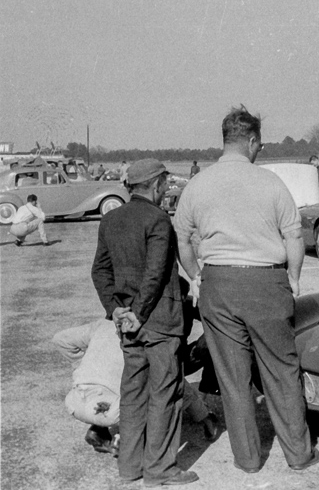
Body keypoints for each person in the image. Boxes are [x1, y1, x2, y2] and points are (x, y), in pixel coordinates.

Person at [173, 105, 319, 474]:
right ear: (251, 140)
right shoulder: (270, 182)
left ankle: (248, 460)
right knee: (282, 371)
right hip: (267, 281)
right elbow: (293, 236)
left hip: (218, 283)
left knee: (233, 378)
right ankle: (299, 454)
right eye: (259, 144)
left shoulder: (197, 184)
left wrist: (196, 275)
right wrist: (294, 277)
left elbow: (182, 238)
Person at [91, 158, 198, 486]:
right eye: (165, 182)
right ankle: (160, 470)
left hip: (127, 325)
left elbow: (100, 270)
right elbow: (155, 273)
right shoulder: (158, 220)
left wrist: (117, 310)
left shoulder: (110, 220)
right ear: (155, 184)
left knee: (134, 394)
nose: (167, 188)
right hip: (159, 322)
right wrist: (138, 312)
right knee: (166, 392)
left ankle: (130, 468)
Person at [52, 320, 219, 457]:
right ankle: (125, 441)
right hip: (111, 411)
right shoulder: (147, 337)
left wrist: (82, 367)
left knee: (121, 388)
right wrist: (204, 416)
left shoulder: (104, 324)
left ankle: (98, 431)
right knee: (164, 386)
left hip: (75, 401)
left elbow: (60, 339)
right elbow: (177, 382)